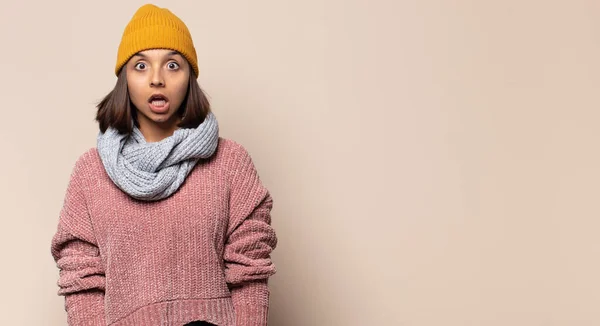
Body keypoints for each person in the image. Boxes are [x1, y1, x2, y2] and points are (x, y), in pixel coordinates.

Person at [49, 4, 278, 326]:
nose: (157, 79)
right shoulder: (91, 171)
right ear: (124, 80)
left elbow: (250, 266)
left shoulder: (230, 162)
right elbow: (81, 275)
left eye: (173, 64)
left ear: (190, 78)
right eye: (140, 66)